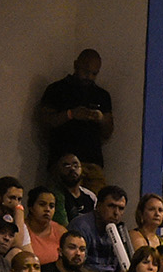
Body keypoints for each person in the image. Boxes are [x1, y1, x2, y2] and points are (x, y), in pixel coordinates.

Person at [38, 50, 114, 185]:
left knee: (98, 203)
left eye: (94, 73)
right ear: (75, 65)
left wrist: (101, 118)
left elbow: (108, 132)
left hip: (92, 161)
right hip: (63, 160)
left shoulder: (101, 95)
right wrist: (71, 114)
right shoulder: (57, 89)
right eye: (85, 71)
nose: (89, 77)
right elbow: (45, 122)